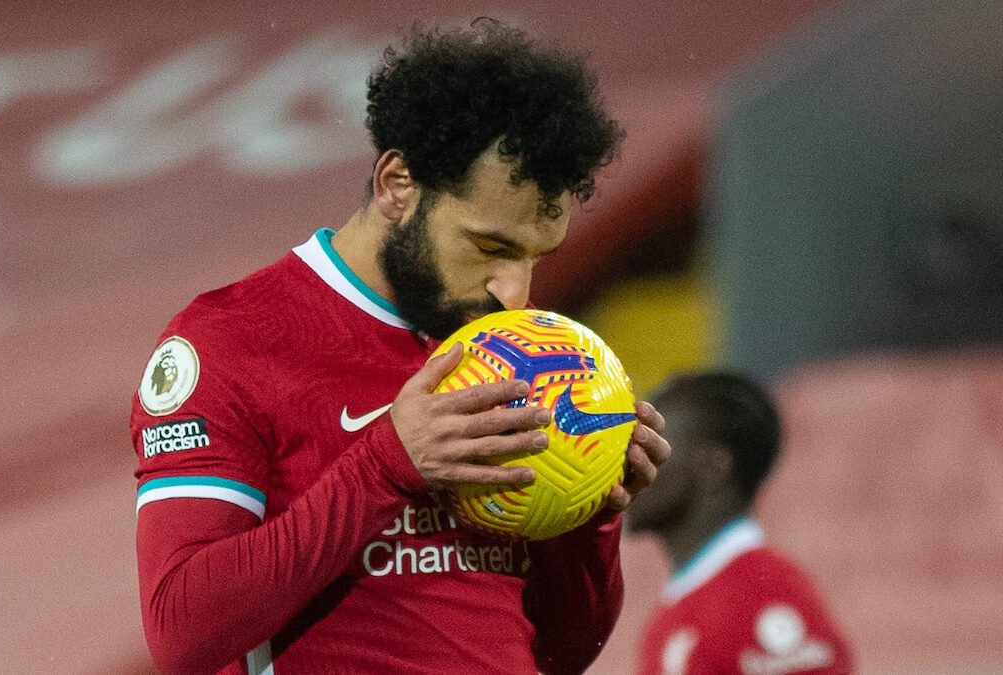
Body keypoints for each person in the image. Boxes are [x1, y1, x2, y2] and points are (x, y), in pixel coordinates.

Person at [131, 19, 671, 675]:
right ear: (397, 184)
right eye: (491, 246)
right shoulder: (232, 339)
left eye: (534, 255)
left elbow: (557, 651)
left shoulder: (521, 355)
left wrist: (588, 513)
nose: (514, 291)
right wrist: (387, 466)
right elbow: (181, 635)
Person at [625, 371, 854, 674]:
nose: (628, 463)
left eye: (651, 447)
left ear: (712, 467)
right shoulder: (686, 607)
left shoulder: (764, 598)